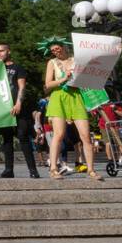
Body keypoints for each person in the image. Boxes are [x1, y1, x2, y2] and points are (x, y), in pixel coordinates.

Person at [41, 36, 101, 181]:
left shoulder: (76, 60)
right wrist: (64, 79)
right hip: (59, 98)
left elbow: (90, 76)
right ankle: (54, 169)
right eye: (52, 50)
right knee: (59, 134)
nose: (55, 51)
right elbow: (48, 84)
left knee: (86, 136)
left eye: (57, 48)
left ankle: (91, 170)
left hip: (76, 97)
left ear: (64, 46)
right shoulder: (52, 63)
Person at [0, 43, 38, 178]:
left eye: (1, 51)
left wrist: (18, 103)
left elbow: (21, 86)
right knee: (7, 140)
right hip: (4, 110)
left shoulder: (17, 68)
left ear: (9, 51)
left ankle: (33, 170)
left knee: (23, 138)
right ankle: (9, 170)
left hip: (19, 109)